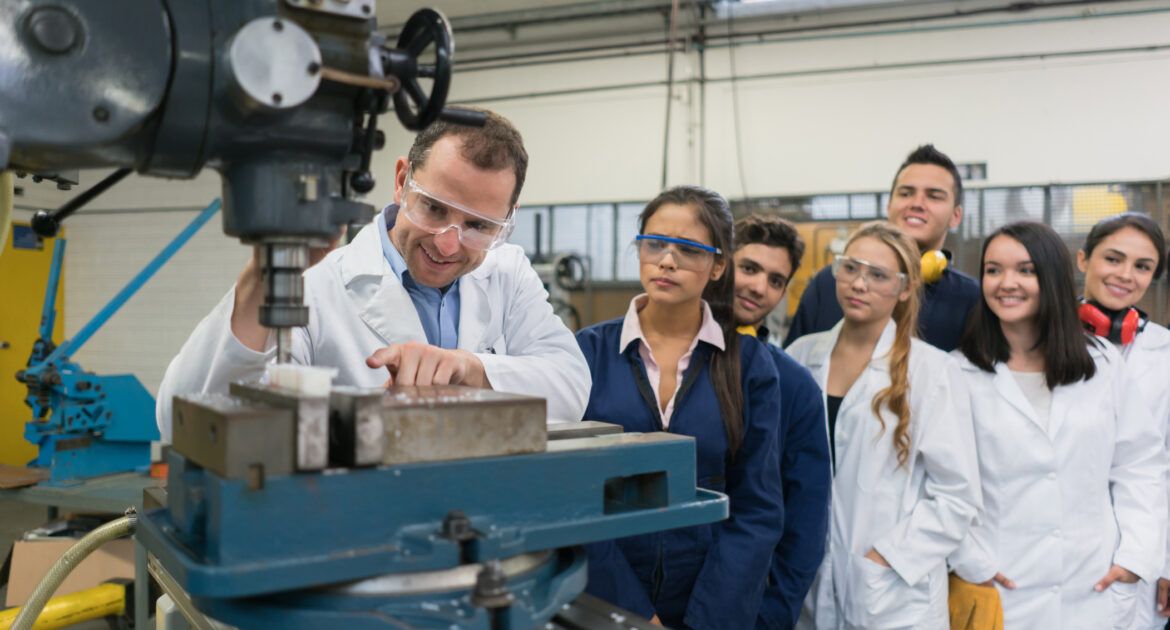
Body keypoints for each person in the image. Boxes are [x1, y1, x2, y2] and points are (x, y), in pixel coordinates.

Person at [155, 109, 590, 440]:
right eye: (434, 209)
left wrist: (468, 369)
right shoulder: (319, 282)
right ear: (401, 182)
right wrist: (263, 275)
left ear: (506, 219)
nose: (447, 244)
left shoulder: (508, 273)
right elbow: (183, 423)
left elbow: (571, 388)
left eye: (478, 226)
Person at [576, 186, 783, 629]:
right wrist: (633, 612)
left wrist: (708, 620)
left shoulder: (747, 365)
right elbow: (573, 494)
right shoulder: (587, 353)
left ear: (718, 265)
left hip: (710, 603)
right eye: (654, 244)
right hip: (606, 599)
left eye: (687, 249)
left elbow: (757, 508)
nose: (667, 260)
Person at [948, 221, 1166, 629]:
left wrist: (1135, 558)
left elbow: (1140, 466)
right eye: (993, 270)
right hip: (1002, 585)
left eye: (1025, 270)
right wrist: (972, 559)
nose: (1006, 283)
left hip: (1094, 585)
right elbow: (943, 482)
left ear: (1051, 277)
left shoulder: (1101, 363)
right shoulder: (958, 372)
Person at [788, 221, 981, 629]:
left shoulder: (933, 371)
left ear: (905, 288)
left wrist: (887, 558)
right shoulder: (800, 357)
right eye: (851, 268)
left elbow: (957, 496)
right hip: (808, 582)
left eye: (878, 275)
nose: (860, 283)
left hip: (892, 594)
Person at [731, 214, 832, 630]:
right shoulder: (669, 361)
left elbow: (807, 517)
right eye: (749, 268)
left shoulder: (793, 385)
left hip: (750, 604)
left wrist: (774, 613)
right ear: (719, 263)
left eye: (775, 280)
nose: (759, 287)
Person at [785, 145, 980, 352]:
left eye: (934, 196)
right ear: (889, 206)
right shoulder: (831, 283)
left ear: (956, 216)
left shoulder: (971, 301)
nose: (917, 203)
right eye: (906, 193)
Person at [1076, 213, 1170, 630]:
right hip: (1060, 547)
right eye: (1113, 259)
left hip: (1140, 552)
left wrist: (1163, 558)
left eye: (1142, 266)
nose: (1125, 275)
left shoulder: (1165, 351)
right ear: (1083, 260)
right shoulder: (1038, 339)